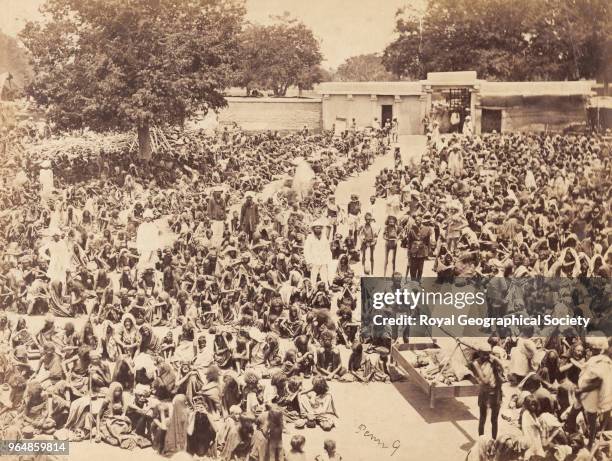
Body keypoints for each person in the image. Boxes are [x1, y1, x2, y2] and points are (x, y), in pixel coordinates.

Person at [304, 218, 332, 289]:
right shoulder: (310, 238)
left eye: (319, 228)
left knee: (324, 277)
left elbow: (327, 249)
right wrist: (309, 262)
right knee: (313, 277)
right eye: (316, 228)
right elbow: (306, 250)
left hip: (323, 260)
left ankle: (326, 290)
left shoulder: (324, 237)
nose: (318, 229)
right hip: (314, 261)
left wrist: (328, 259)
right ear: (313, 229)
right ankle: (313, 290)